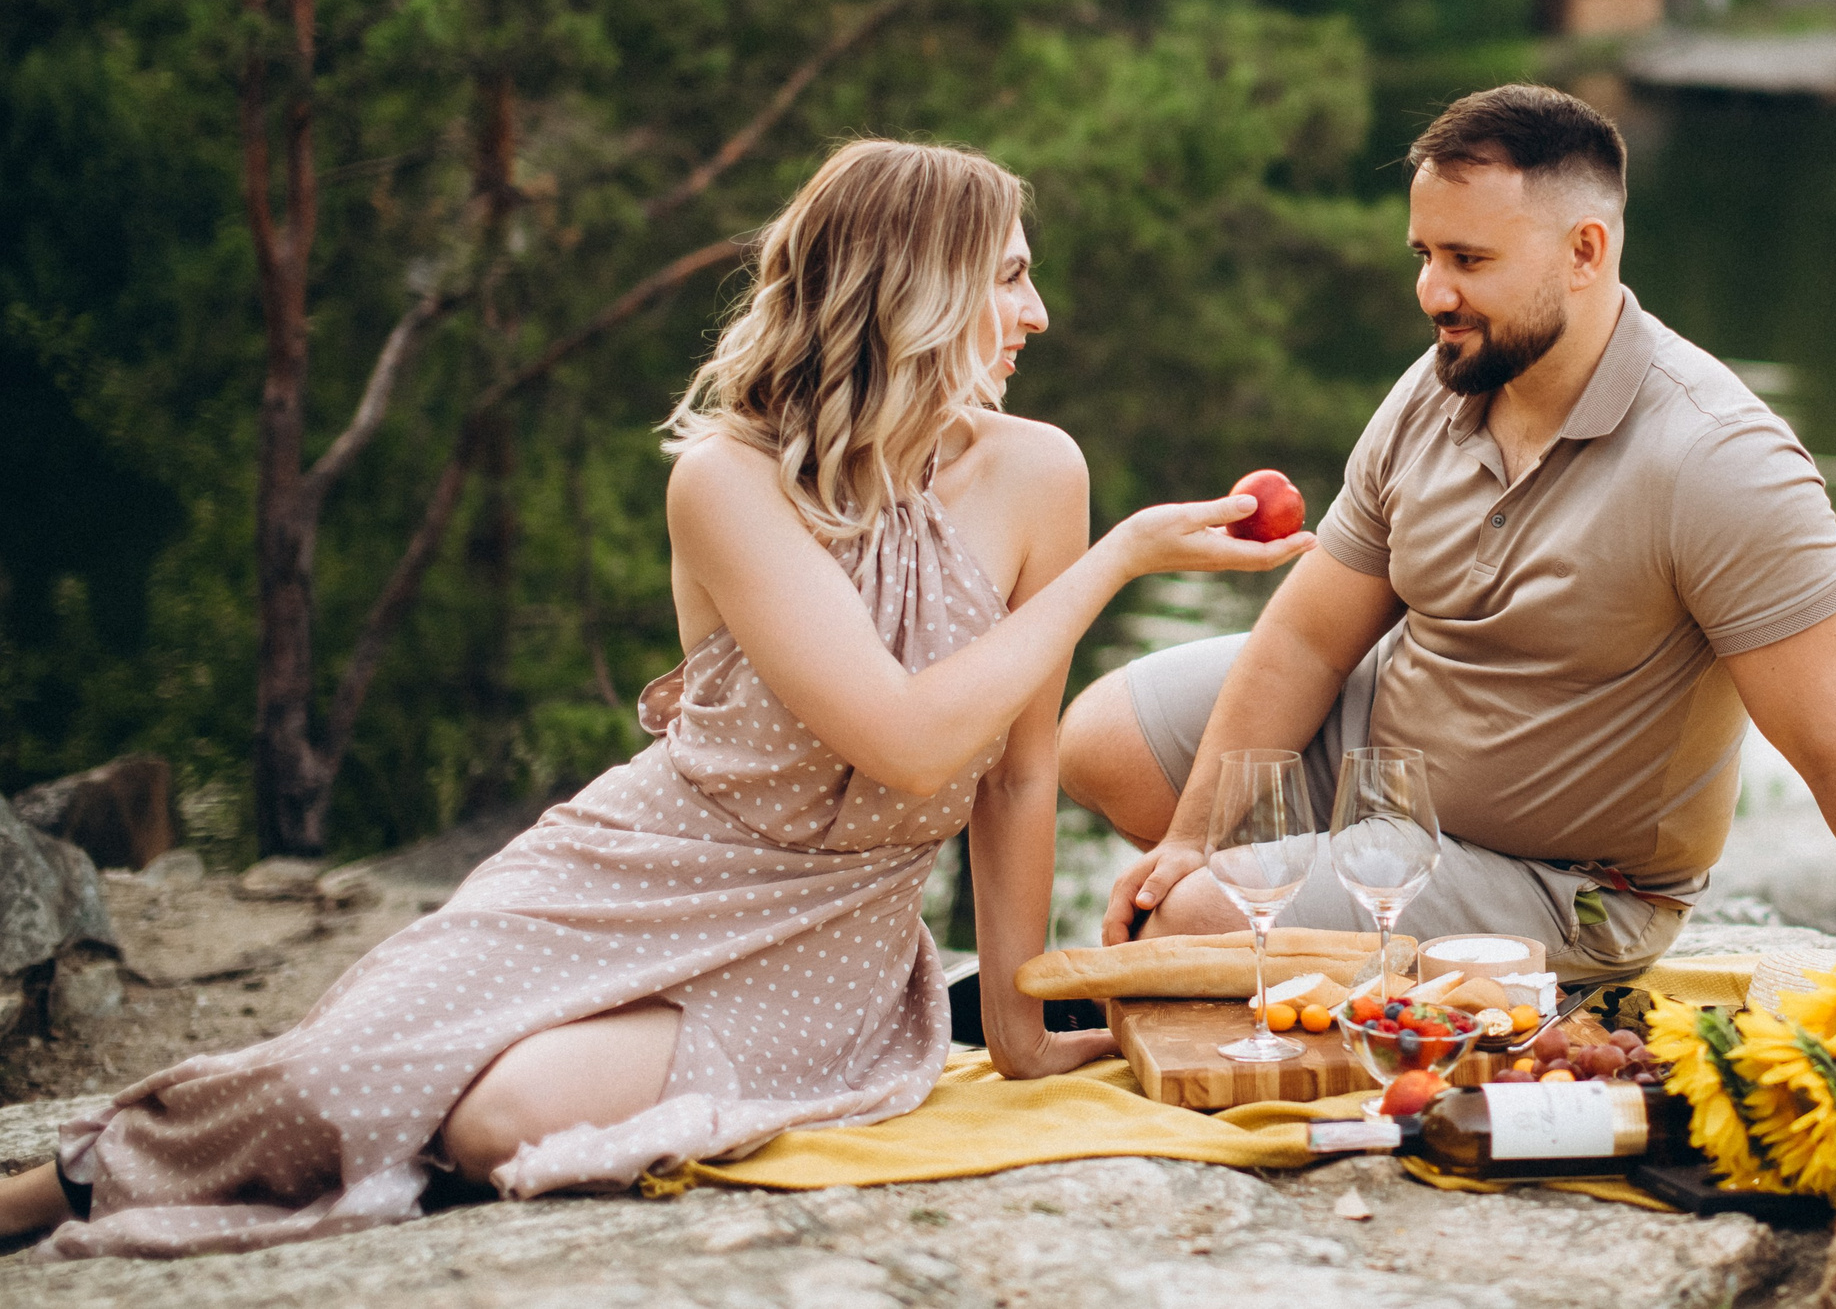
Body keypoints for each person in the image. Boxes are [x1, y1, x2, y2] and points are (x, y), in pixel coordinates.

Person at [0, 140, 1312, 1256]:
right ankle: (41, 1193)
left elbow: (1014, 773)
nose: (1036, 314)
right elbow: (903, 734)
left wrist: (1018, 1029)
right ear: (916, 288)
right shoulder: (728, 481)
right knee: (327, 1072)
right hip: (635, 867)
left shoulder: (1038, 471)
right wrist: (1120, 562)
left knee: (496, 1121)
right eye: (1012, 276)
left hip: (824, 937)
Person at [1061, 85, 1836, 1057]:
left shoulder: (1717, 463)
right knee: (1097, 739)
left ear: (1585, 252)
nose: (1434, 293)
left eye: (1469, 261)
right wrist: (1191, 835)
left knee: (1187, 922)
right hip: (1386, 762)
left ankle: (1309, 938)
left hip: (1566, 879)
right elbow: (1309, 638)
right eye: (1425, 257)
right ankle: (1316, 914)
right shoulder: (1444, 379)